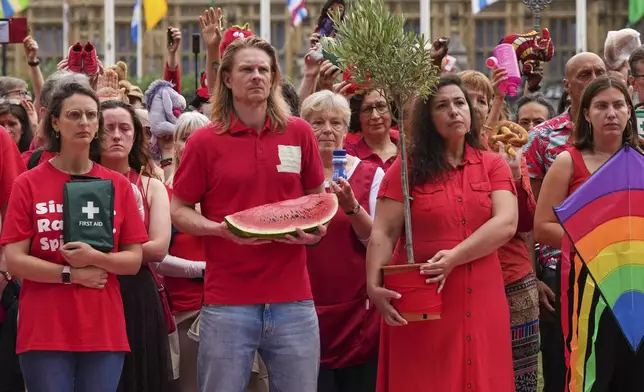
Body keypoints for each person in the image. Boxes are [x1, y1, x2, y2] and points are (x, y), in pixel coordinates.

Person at [170, 36, 327, 392]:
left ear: (273, 79)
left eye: (263, 70)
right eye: (246, 69)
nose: (256, 76)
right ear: (227, 78)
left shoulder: (299, 132)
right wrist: (217, 230)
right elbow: (178, 210)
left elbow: (318, 202)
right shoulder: (204, 141)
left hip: (294, 301)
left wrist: (316, 231)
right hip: (227, 302)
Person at [367, 76, 517, 391]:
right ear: (427, 117)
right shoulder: (406, 167)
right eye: (442, 106)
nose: (453, 111)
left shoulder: (493, 165)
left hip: (482, 296)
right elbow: (383, 230)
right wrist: (373, 286)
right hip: (421, 294)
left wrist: (454, 258)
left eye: (459, 103)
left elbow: (506, 223)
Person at [0, 81, 147, 392]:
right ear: (55, 122)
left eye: (92, 116)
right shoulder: (28, 184)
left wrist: (94, 258)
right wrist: (71, 275)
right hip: (44, 327)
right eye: (75, 115)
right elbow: (14, 259)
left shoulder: (117, 185)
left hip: (103, 327)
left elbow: (134, 260)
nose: (84, 123)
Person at [534, 75, 644, 391]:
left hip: (638, 285)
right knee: (591, 377)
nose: (611, 113)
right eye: (601, 106)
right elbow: (543, 227)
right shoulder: (568, 162)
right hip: (590, 289)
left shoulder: (641, 159)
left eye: (618, 105)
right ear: (586, 114)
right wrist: (599, 245)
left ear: (629, 111)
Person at [523, 52, 606, 392]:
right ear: (568, 86)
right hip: (561, 267)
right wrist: (534, 277)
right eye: (585, 74)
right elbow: (533, 216)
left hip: (618, 263)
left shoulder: (628, 139)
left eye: (600, 71)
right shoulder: (544, 138)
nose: (594, 77)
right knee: (563, 367)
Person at [461, 68, 540, 391]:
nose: (477, 106)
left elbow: (524, 223)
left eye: (485, 100)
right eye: (469, 99)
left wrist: (513, 178)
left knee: (520, 375)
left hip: (511, 277)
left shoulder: (509, 151)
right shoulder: (441, 157)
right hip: (466, 277)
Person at [301, 90, 384, 392]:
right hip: (303, 305)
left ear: (347, 130)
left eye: (336, 122)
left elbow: (379, 241)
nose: (326, 130)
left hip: (357, 310)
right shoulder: (291, 175)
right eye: (317, 122)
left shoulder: (370, 174)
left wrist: (351, 206)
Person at [96, 99, 172, 392]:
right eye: (108, 128)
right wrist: (128, 252)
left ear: (136, 136)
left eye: (124, 128)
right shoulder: (78, 182)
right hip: (92, 290)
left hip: (137, 294)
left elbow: (158, 248)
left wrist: (98, 254)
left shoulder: (152, 187)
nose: (116, 135)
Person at [345, 89, 398, 170]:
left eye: (381, 106)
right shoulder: (347, 155)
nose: (375, 116)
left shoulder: (409, 152)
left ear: (392, 109)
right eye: (367, 109)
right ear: (357, 116)